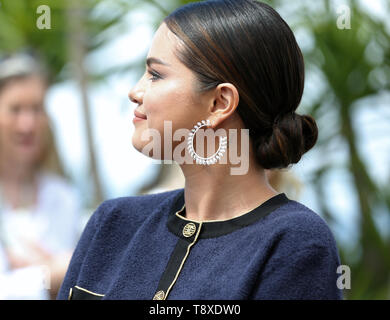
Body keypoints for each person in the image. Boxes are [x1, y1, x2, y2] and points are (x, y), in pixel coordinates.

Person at [58, 0, 343, 300]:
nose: (135, 91)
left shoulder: (293, 243)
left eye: (155, 75)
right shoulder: (113, 224)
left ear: (219, 103)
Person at [0, 53, 81, 299]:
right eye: (15, 110)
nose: (28, 124)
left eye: (36, 109)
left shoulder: (63, 197)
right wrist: (51, 274)